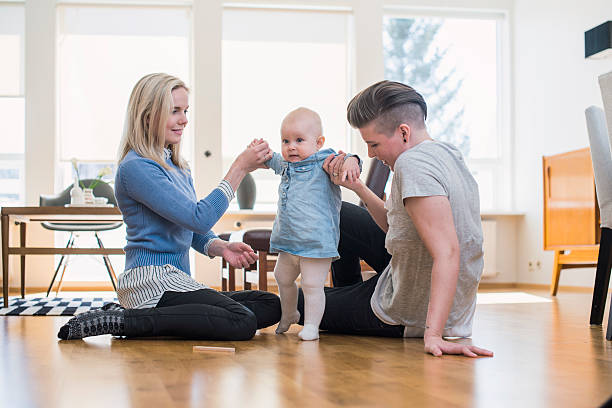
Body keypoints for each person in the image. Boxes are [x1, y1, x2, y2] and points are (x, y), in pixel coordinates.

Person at [58, 73, 281, 341]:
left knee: (270, 305)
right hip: (150, 282)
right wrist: (239, 169)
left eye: (185, 110)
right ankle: (124, 320)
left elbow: (190, 227)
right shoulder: (136, 167)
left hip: (176, 280)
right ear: (148, 115)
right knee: (242, 321)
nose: (184, 119)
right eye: (174, 111)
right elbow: (199, 218)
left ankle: (142, 318)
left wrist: (220, 247)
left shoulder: (176, 166)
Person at [298, 80, 493, 357]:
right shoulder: (447, 153)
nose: (370, 153)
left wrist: (434, 334)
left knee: (295, 303)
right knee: (339, 212)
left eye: (374, 143)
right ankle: (351, 300)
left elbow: (449, 252)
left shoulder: (411, 164)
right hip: (417, 285)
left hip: (408, 310)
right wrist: (358, 188)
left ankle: (354, 308)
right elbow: (396, 226)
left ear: (404, 132)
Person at [253, 107, 361, 341]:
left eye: (299, 140)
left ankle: (311, 325)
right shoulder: (286, 165)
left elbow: (347, 160)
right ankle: (290, 312)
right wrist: (260, 151)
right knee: (282, 277)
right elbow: (271, 160)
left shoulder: (324, 161)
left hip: (316, 242)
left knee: (312, 285)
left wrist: (353, 160)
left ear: (318, 142)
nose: (291, 146)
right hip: (289, 241)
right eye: (286, 140)